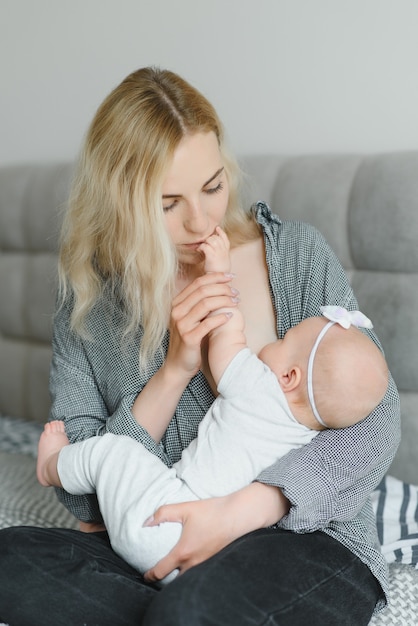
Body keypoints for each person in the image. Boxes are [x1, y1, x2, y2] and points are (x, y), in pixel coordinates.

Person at [0, 66, 400, 626]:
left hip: (295, 538)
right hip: (155, 546)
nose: (200, 219)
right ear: (121, 204)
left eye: (213, 186)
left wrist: (244, 510)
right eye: (168, 203)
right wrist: (174, 370)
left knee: (192, 610)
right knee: (10, 557)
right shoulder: (89, 307)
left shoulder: (295, 256)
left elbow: (377, 418)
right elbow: (83, 493)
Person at [36, 228, 389, 586]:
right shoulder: (308, 434)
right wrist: (173, 372)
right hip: (214, 552)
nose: (275, 339)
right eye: (171, 203)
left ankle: (52, 466)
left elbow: (225, 342)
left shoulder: (258, 388)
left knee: (112, 450)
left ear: (289, 377)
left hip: (165, 519)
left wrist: (218, 273)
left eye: (285, 340)